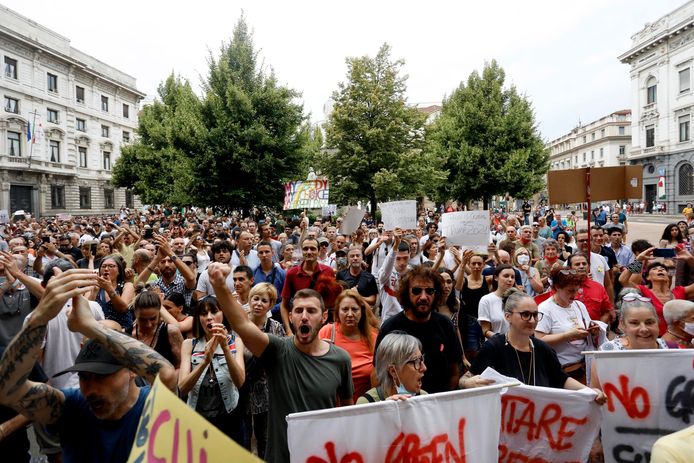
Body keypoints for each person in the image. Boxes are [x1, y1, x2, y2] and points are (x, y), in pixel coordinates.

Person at [0, 269, 176, 463]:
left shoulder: (149, 405)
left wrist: (90, 326)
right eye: (84, 377)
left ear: (131, 371)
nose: (91, 389)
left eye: (102, 377)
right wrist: (39, 318)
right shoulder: (73, 405)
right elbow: (8, 389)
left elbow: (166, 375)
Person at [209, 262, 353, 463]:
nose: (304, 317)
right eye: (298, 311)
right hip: (282, 457)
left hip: (322, 456)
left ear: (324, 317)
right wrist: (219, 285)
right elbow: (241, 324)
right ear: (291, 317)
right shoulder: (277, 350)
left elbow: (349, 414)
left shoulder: (341, 359)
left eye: (311, 311)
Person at [462, 289, 606, 404]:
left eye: (535, 315)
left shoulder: (544, 349)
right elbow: (465, 380)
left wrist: (590, 392)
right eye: (525, 315)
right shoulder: (493, 347)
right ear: (508, 317)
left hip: (536, 426)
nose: (532, 320)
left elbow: (561, 379)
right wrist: (468, 383)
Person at [376, 264, 461, 393]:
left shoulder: (445, 325)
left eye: (429, 291)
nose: (423, 297)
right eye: (416, 291)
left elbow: (454, 372)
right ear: (406, 293)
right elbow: (377, 375)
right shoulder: (390, 327)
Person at [178, 295, 246, 443]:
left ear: (223, 314)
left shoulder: (236, 342)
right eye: (203, 314)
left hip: (229, 419)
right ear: (198, 318)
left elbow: (240, 382)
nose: (209, 317)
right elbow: (182, 387)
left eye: (214, 312)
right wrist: (205, 361)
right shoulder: (189, 344)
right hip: (198, 420)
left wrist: (225, 348)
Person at [240, 283, 285, 459]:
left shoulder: (275, 327)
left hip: (266, 389)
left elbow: (281, 357)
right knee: (244, 434)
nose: (258, 303)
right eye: (255, 298)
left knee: (264, 435)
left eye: (263, 300)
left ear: (271, 304)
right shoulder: (239, 325)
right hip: (242, 387)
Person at [536, 267, 601, 383]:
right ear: (556, 288)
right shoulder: (545, 309)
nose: (574, 295)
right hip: (561, 372)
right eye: (570, 291)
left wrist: (593, 331)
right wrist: (568, 335)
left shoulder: (579, 305)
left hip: (584, 367)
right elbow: (539, 340)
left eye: (577, 290)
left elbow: (588, 325)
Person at [319, 289, 378, 400]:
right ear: (337, 312)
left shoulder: (373, 338)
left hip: (363, 408)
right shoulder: (326, 332)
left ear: (362, 311)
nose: (350, 314)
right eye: (345, 309)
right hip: (332, 407)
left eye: (354, 309)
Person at [619, 249, 694, 336]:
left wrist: (691, 260)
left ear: (667, 275)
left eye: (663, 269)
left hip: (681, 341)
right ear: (648, 277)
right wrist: (639, 259)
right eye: (655, 269)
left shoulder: (680, 291)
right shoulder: (644, 291)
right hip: (654, 341)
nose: (660, 270)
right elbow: (623, 279)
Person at [356, 333, 427, 403]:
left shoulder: (424, 398)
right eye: (415, 361)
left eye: (421, 359)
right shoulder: (367, 403)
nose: (424, 368)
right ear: (393, 371)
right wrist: (385, 410)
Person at [130, 289, 183, 370]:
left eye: (153, 319)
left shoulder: (171, 332)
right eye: (143, 320)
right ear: (136, 315)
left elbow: (182, 367)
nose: (148, 324)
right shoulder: (128, 334)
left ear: (160, 314)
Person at [89, 254, 135, 332]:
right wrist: (94, 291)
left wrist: (109, 289)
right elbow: (86, 310)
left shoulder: (127, 286)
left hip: (122, 332)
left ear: (119, 271)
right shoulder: (93, 286)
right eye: (103, 266)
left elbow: (123, 309)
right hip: (99, 332)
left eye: (111, 266)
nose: (106, 269)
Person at [478, 264, 516, 340]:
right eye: (506, 276)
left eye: (512, 277)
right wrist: (504, 339)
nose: (510, 279)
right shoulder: (486, 300)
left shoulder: (518, 299)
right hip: (495, 346)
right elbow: (485, 331)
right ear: (496, 277)